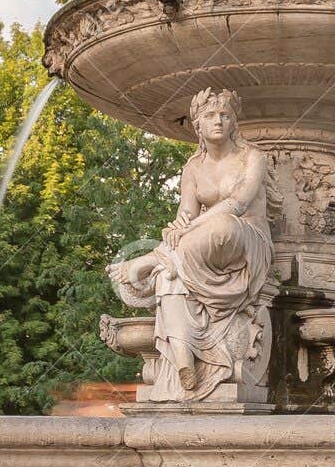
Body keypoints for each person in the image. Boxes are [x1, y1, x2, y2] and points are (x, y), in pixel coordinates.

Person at [108, 88, 274, 402]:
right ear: (197, 124)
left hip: (246, 240)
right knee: (170, 272)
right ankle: (184, 359)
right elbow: (185, 213)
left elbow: (238, 204)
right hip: (203, 247)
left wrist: (191, 227)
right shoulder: (193, 168)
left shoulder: (251, 157)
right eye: (210, 116)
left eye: (225, 115)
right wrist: (175, 229)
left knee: (220, 225)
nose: (219, 121)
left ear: (233, 122)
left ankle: (150, 260)